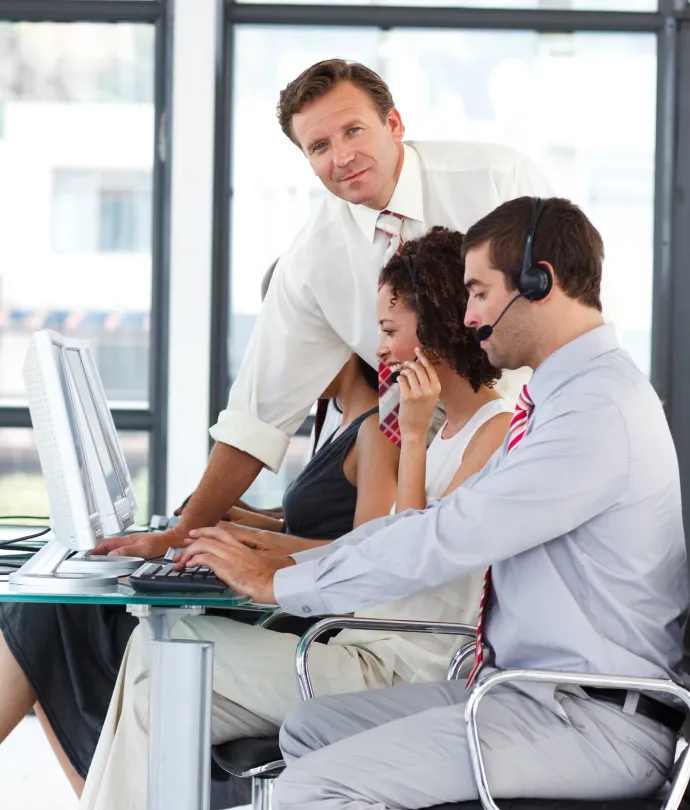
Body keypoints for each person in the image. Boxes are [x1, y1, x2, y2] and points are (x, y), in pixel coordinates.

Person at [176, 196, 689, 808]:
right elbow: (439, 520)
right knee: (311, 729)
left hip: (589, 721)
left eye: (479, 292)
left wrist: (277, 585)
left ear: (539, 282)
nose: (469, 317)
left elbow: (454, 535)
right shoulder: (562, 400)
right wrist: (289, 567)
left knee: (315, 787)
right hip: (527, 695)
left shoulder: (594, 411)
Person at [78, 227, 511, 810]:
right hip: (360, 645)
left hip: (398, 670)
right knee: (155, 685)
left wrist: (411, 437)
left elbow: (406, 557)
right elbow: (374, 543)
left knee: (166, 649)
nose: (379, 348)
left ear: (435, 326)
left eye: (389, 330)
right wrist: (260, 550)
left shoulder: (492, 432)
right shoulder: (446, 431)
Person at [95, 57, 552, 563]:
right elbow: (256, 415)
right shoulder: (312, 259)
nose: (342, 157)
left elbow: (570, 310)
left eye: (353, 130)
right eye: (319, 146)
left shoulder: (496, 180)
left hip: (532, 438)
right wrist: (180, 535)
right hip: (428, 467)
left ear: (393, 124)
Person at [0, 350, 396, 801]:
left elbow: (360, 550)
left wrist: (246, 540)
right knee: (50, 615)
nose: (285, 359)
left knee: (47, 615)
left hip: (298, 614)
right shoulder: (340, 421)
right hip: (287, 598)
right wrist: (246, 523)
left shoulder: (376, 430)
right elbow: (325, 524)